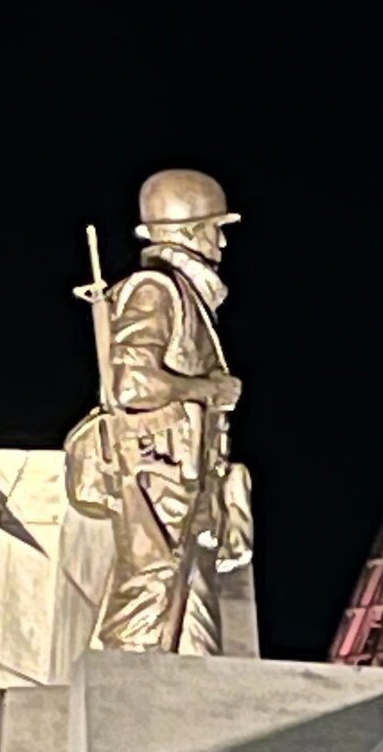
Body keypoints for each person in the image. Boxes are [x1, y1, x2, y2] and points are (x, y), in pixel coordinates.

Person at [68, 169, 251, 654]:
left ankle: (189, 706)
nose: (222, 243)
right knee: (149, 590)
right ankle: (122, 704)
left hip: (189, 475)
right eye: (216, 229)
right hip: (158, 472)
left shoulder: (188, 296)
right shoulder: (156, 289)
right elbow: (132, 382)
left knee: (193, 610)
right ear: (189, 233)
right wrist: (210, 388)